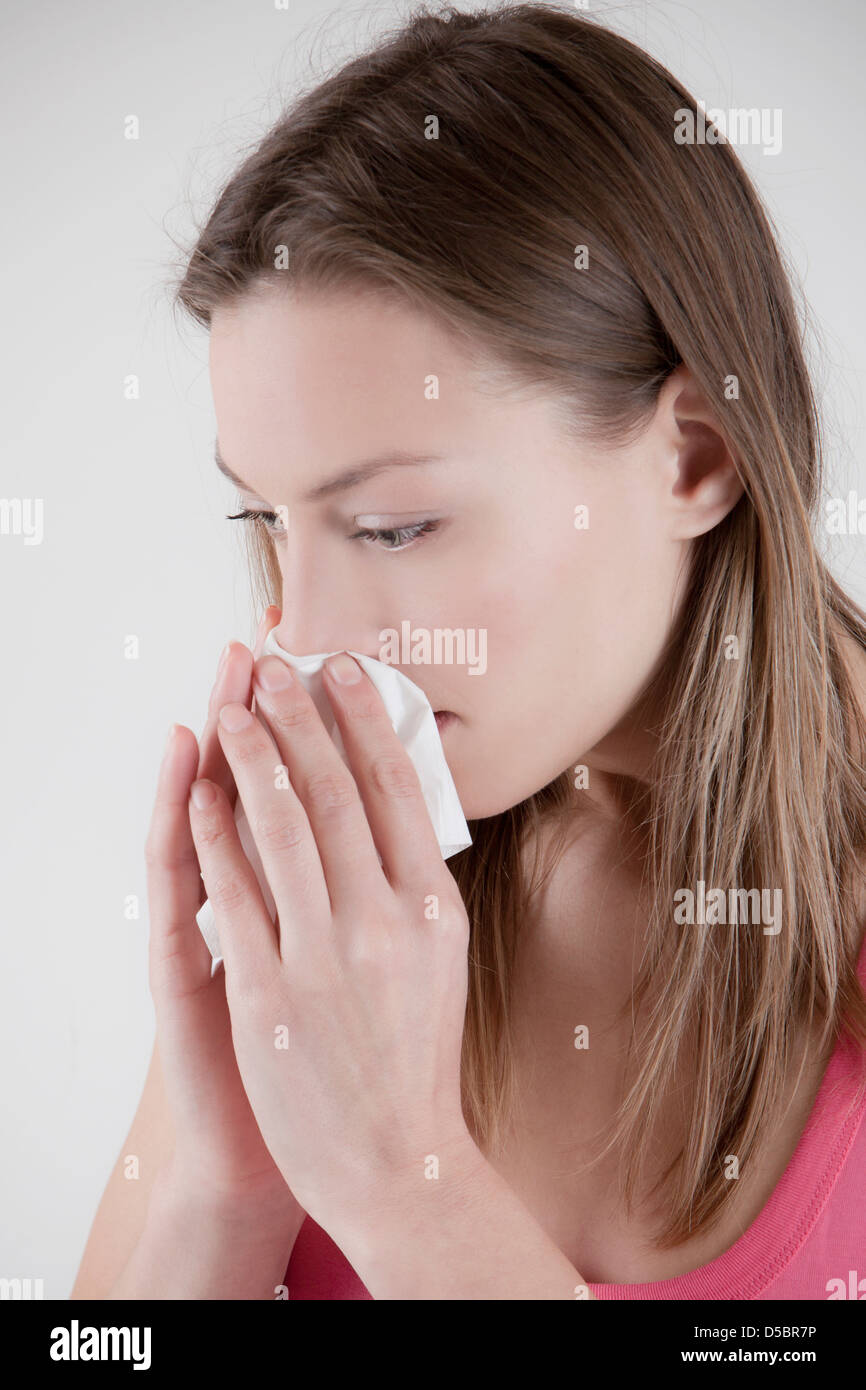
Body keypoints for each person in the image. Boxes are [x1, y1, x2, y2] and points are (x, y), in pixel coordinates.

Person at [72, 3, 866, 1300]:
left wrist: (404, 1187)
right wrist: (226, 1185)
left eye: (394, 523)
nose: (306, 637)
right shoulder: (335, 901)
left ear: (694, 456)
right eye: (270, 520)